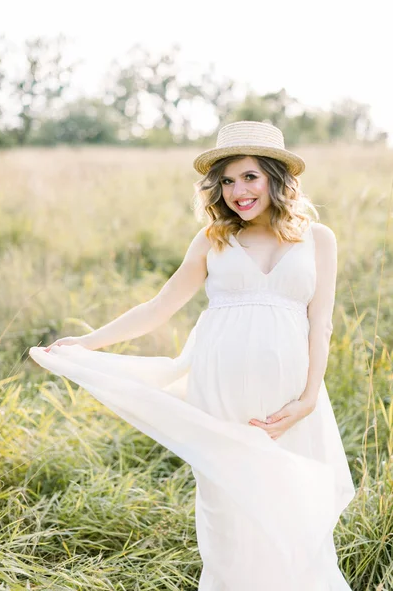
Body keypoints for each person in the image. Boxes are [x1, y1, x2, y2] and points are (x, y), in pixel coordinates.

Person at [29, 120, 356, 590]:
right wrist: (87, 342)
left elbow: (320, 323)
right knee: (230, 508)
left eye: (250, 177)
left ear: (276, 177)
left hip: (289, 397)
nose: (238, 191)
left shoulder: (318, 238)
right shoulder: (213, 239)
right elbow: (158, 307)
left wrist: (306, 399)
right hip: (219, 391)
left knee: (290, 508)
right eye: (226, 180)